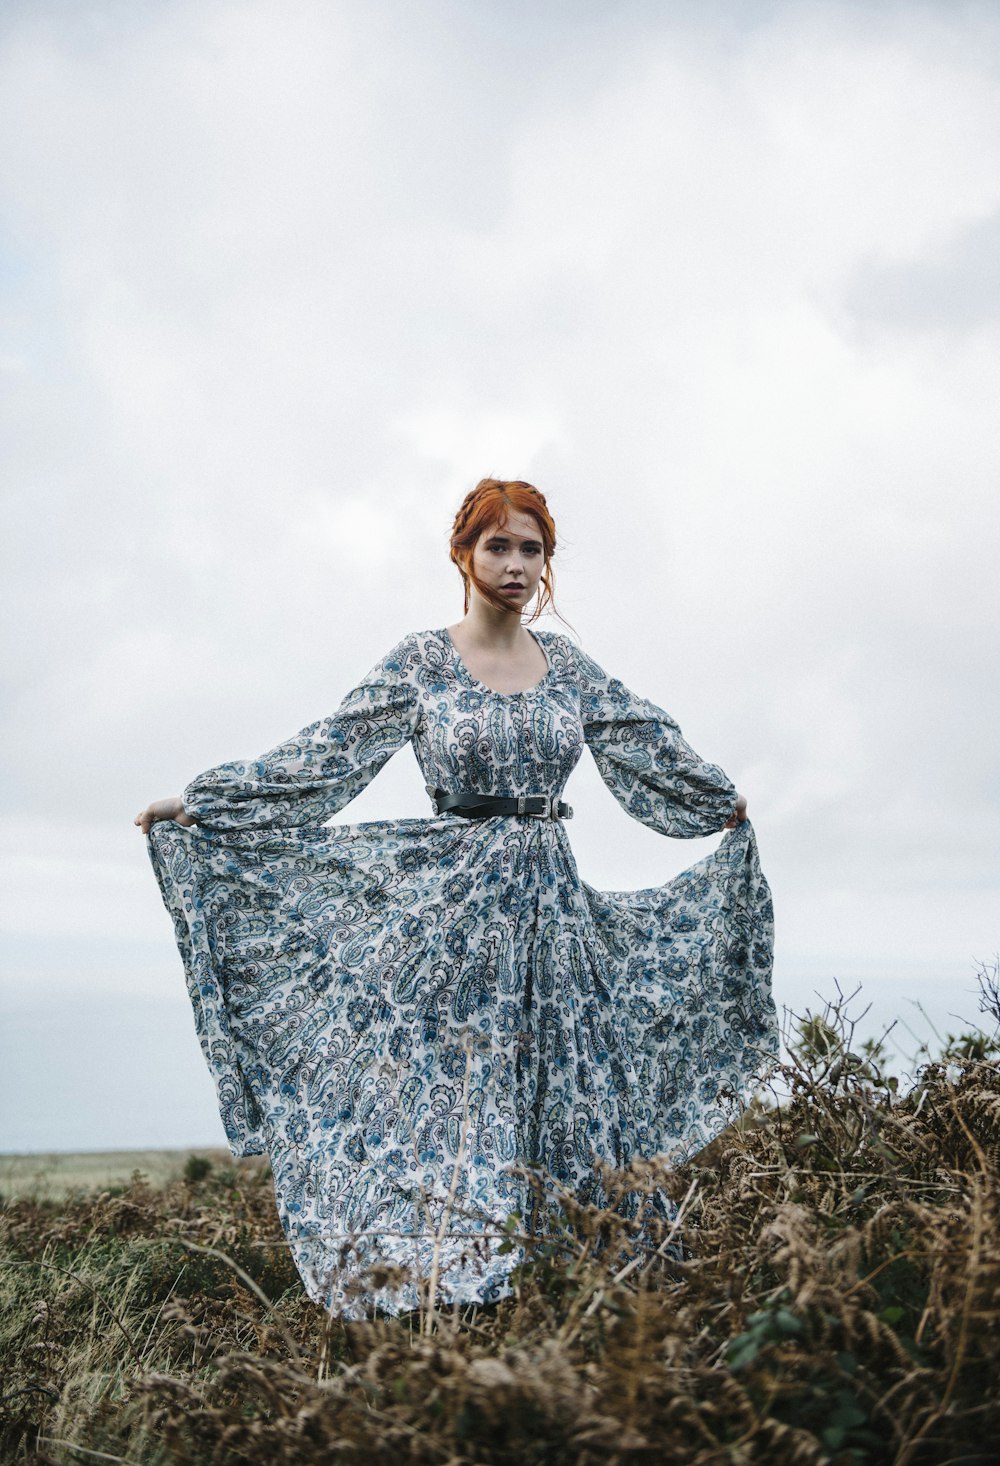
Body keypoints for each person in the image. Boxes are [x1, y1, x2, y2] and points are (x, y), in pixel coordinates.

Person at [136, 478, 777, 1315]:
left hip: (551, 905)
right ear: (463, 554)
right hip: (453, 908)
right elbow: (328, 755)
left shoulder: (569, 668)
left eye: (532, 548)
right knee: (451, 1088)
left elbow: (645, 738)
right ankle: (454, 1276)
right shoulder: (420, 661)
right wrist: (204, 803)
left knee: (570, 1083)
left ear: (548, 561)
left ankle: (594, 1282)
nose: (516, 564)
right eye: (498, 546)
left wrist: (713, 802)